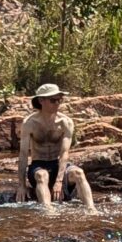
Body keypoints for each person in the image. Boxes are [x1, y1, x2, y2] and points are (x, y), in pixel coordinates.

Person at [17, 83, 96, 213]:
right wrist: (21, 185)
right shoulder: (29, 123)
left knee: (79, 173)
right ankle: (49, 211)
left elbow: (64, 152)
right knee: (42, 175)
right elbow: (23, 154)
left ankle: (91, 209)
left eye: (60, 100)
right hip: (39, 165)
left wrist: (59, 181)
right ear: (41, 100)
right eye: (53, 100)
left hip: (58, 164)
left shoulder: (66, 122)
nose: (57, 103)